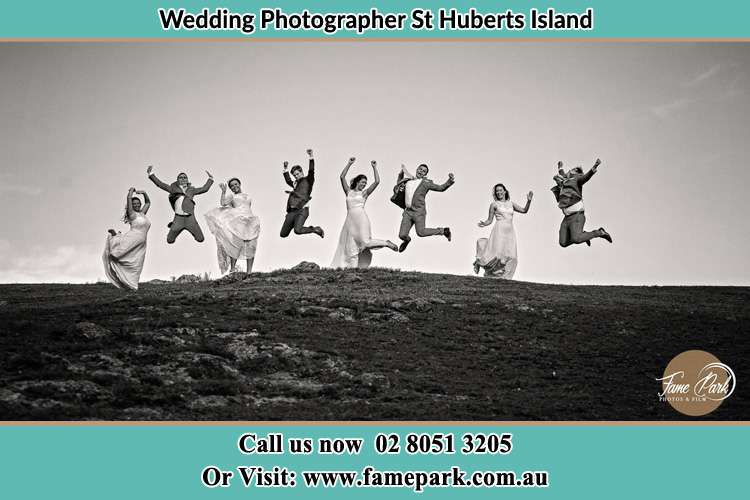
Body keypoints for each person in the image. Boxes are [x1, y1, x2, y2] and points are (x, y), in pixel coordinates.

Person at [331, 158, 398, 268]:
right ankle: (353, 273)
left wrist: (374, 167)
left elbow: (377, 182)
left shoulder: (364, 193)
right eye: (362, 182)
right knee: (351, 249)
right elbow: (342, 177)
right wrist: (349, 163)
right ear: (357, 182)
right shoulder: (348, 191)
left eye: (365, 183)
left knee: (365, 242)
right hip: (350, 221)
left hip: (361, 219)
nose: (364, 184)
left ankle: (386, 243)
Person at [474, 184, 532, 278]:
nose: (499, 192)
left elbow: (524, 210)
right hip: (499, 230)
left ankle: (503, 276)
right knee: (497, 255)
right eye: (497, 191)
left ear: (505, 191)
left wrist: (529, 201)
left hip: (510, 232)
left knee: (511, 256)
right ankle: (481, 262)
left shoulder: (511, 204)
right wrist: (484, 223)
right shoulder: (494, 205)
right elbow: (490, 220)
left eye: (500, 190)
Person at [204, 177, 261, 274]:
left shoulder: (247, 196)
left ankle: (249, 271)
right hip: (238, 222)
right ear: (230, 188)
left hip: (250, 221)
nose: (234, 186)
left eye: (236, 184)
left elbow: (247, 207)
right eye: (232, 186)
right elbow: (223, 203)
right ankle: (233, 269)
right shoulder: (232, 197)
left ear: (239, 184)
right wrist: (223, 192)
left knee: (251, 246)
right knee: (236, 244)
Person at [551, 159, 612, 247]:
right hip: (567, 218)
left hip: (577, 216)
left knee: (576, 239)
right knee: (563, 243)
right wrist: (560, 167)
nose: (571, 170)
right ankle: (583, 235)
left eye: (574, 170)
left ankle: (599, 232)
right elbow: (562, 173)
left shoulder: (577, 179)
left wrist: (594, 167)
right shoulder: (566, 179)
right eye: (572, 169)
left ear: (577, 173)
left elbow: (586, 177)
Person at [147, 165, 214, 243]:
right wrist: (151, 174)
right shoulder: (173, 189)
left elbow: (204, 189)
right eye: (180, 177)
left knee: (200, 239)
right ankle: (174, 226)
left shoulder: (192, 190)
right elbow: (160, 184)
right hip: (178, 219)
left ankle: (190, 229)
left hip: (190, 219)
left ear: (187, 180)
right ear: (177, 180)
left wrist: (210, 179)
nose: (183, 179)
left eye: (185, 177)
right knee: (170, 240)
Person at [397, 163, 455, 252]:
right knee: (402, 235)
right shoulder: (408, 181)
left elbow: (441, 188)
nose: (421, 171)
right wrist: (401, 174)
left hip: (419, 212)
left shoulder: (426, 183)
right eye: (420, 169)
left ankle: (444, 231)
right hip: (408, 212)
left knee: (421, 232)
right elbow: (399, 184)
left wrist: (449, 181)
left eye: (424, 171)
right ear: (416, 169)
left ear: (425, 174)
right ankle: (407, 240)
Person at [103, 187, 151, 290]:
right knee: (116, 255)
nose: (137, 205)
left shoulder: (142, 213)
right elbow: (129, 200)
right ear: (131, 206)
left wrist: (144, 193)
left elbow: (148, 202)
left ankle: (132, 285)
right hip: (133, 238)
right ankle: (115, 237)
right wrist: (131, 192)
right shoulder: (132, 214)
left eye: (138, 203)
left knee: (136, 264)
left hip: (142, 243)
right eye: (134, 204)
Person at [280, 149, 324, 239]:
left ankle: (315, 229)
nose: (296, 176)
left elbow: (311, 170)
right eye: (294, 175)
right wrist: (285, 169)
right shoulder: (295, 183)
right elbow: (288, 180)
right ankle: (294, 221)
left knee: (298, 230)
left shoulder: (308, 180)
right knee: (283, 234)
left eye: (297, 174)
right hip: (292, 211)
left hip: (302, 210)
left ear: (301, 172)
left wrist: (311, 156)